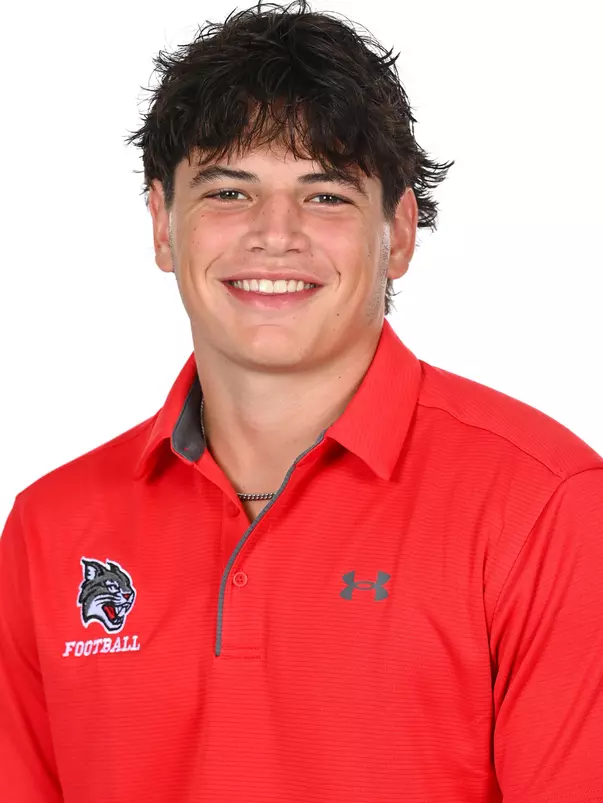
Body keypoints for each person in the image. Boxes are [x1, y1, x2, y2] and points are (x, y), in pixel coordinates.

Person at [1, 1, 602, 800]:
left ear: (399, 232)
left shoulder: (543, 506)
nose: (274, 234)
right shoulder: (49, 527)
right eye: (228, 192)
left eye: (325, 195)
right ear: (161, 225)